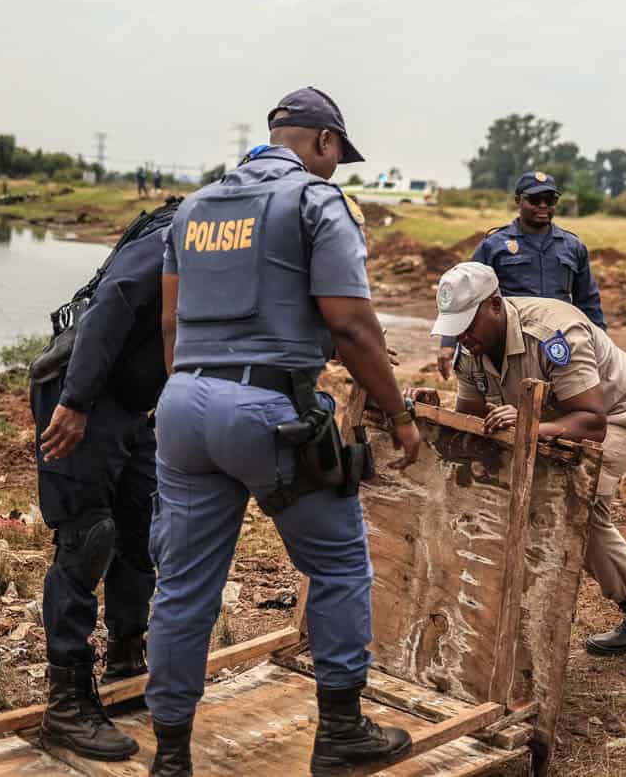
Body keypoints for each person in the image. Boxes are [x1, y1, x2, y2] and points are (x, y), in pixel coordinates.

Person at [145, 86, 422, 777]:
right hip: (266, 410)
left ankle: (171, 756)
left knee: (182, 586)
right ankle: (341, 735)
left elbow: (171, 325)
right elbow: (352, 325)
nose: (335, 169)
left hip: (182, 406)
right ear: (324, 141)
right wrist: (401, 415)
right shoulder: (315, 202)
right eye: (337, 156)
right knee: (337, 565)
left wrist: (197, 393)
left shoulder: (197, 206)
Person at [433, 262, 626, 657]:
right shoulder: (470, 348)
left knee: (577, 509)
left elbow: (592, 423)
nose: (462, 336)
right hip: (543, 420)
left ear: (495, 305)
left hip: (618, 416)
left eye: (468, 323)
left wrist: (527, 424)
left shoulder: (552, 334)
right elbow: (471, 423)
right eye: (454, 326)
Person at [28, 199, 180, 761]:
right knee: (88, 537)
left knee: (139, 527)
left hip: (131, 401)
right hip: (80, 392)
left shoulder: (242, 247)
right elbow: (110, 308)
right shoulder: (180, 233)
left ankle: (126, 658)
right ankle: (66, 702)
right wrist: (74, 401)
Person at [435, 171, 606, 380]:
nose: (543, 206)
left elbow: (587, 300)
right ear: (518, 200)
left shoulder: (572, 246)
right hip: (512, 344)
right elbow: (463, 294)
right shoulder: (494, 245)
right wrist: (449, 344)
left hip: (560, 340)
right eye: (535, 200)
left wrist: (600, 341)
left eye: (550, 200)